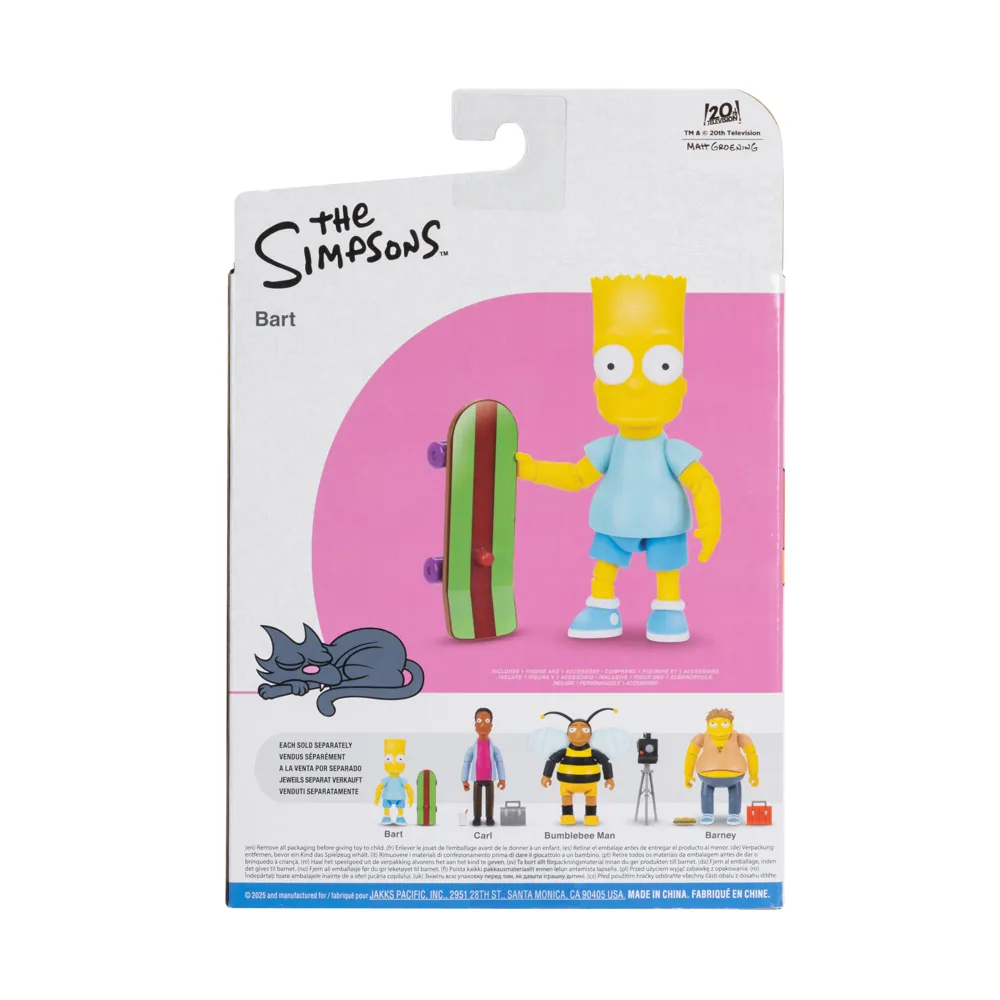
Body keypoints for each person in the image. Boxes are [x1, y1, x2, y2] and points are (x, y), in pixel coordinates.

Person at [460, 707, 506, 826]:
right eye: (479, 721)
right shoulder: (472, 749)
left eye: (487, 721)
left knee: (490, 800)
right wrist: (464, 780)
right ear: (475, 725)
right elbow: (466, 763)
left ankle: (489, 817)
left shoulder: (495, 749)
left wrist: (502, 779)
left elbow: (499, 762)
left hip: (490, 779)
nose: (483, 725)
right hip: (477, 779)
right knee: (477, 800)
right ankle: (477, 817)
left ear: (491, 725)